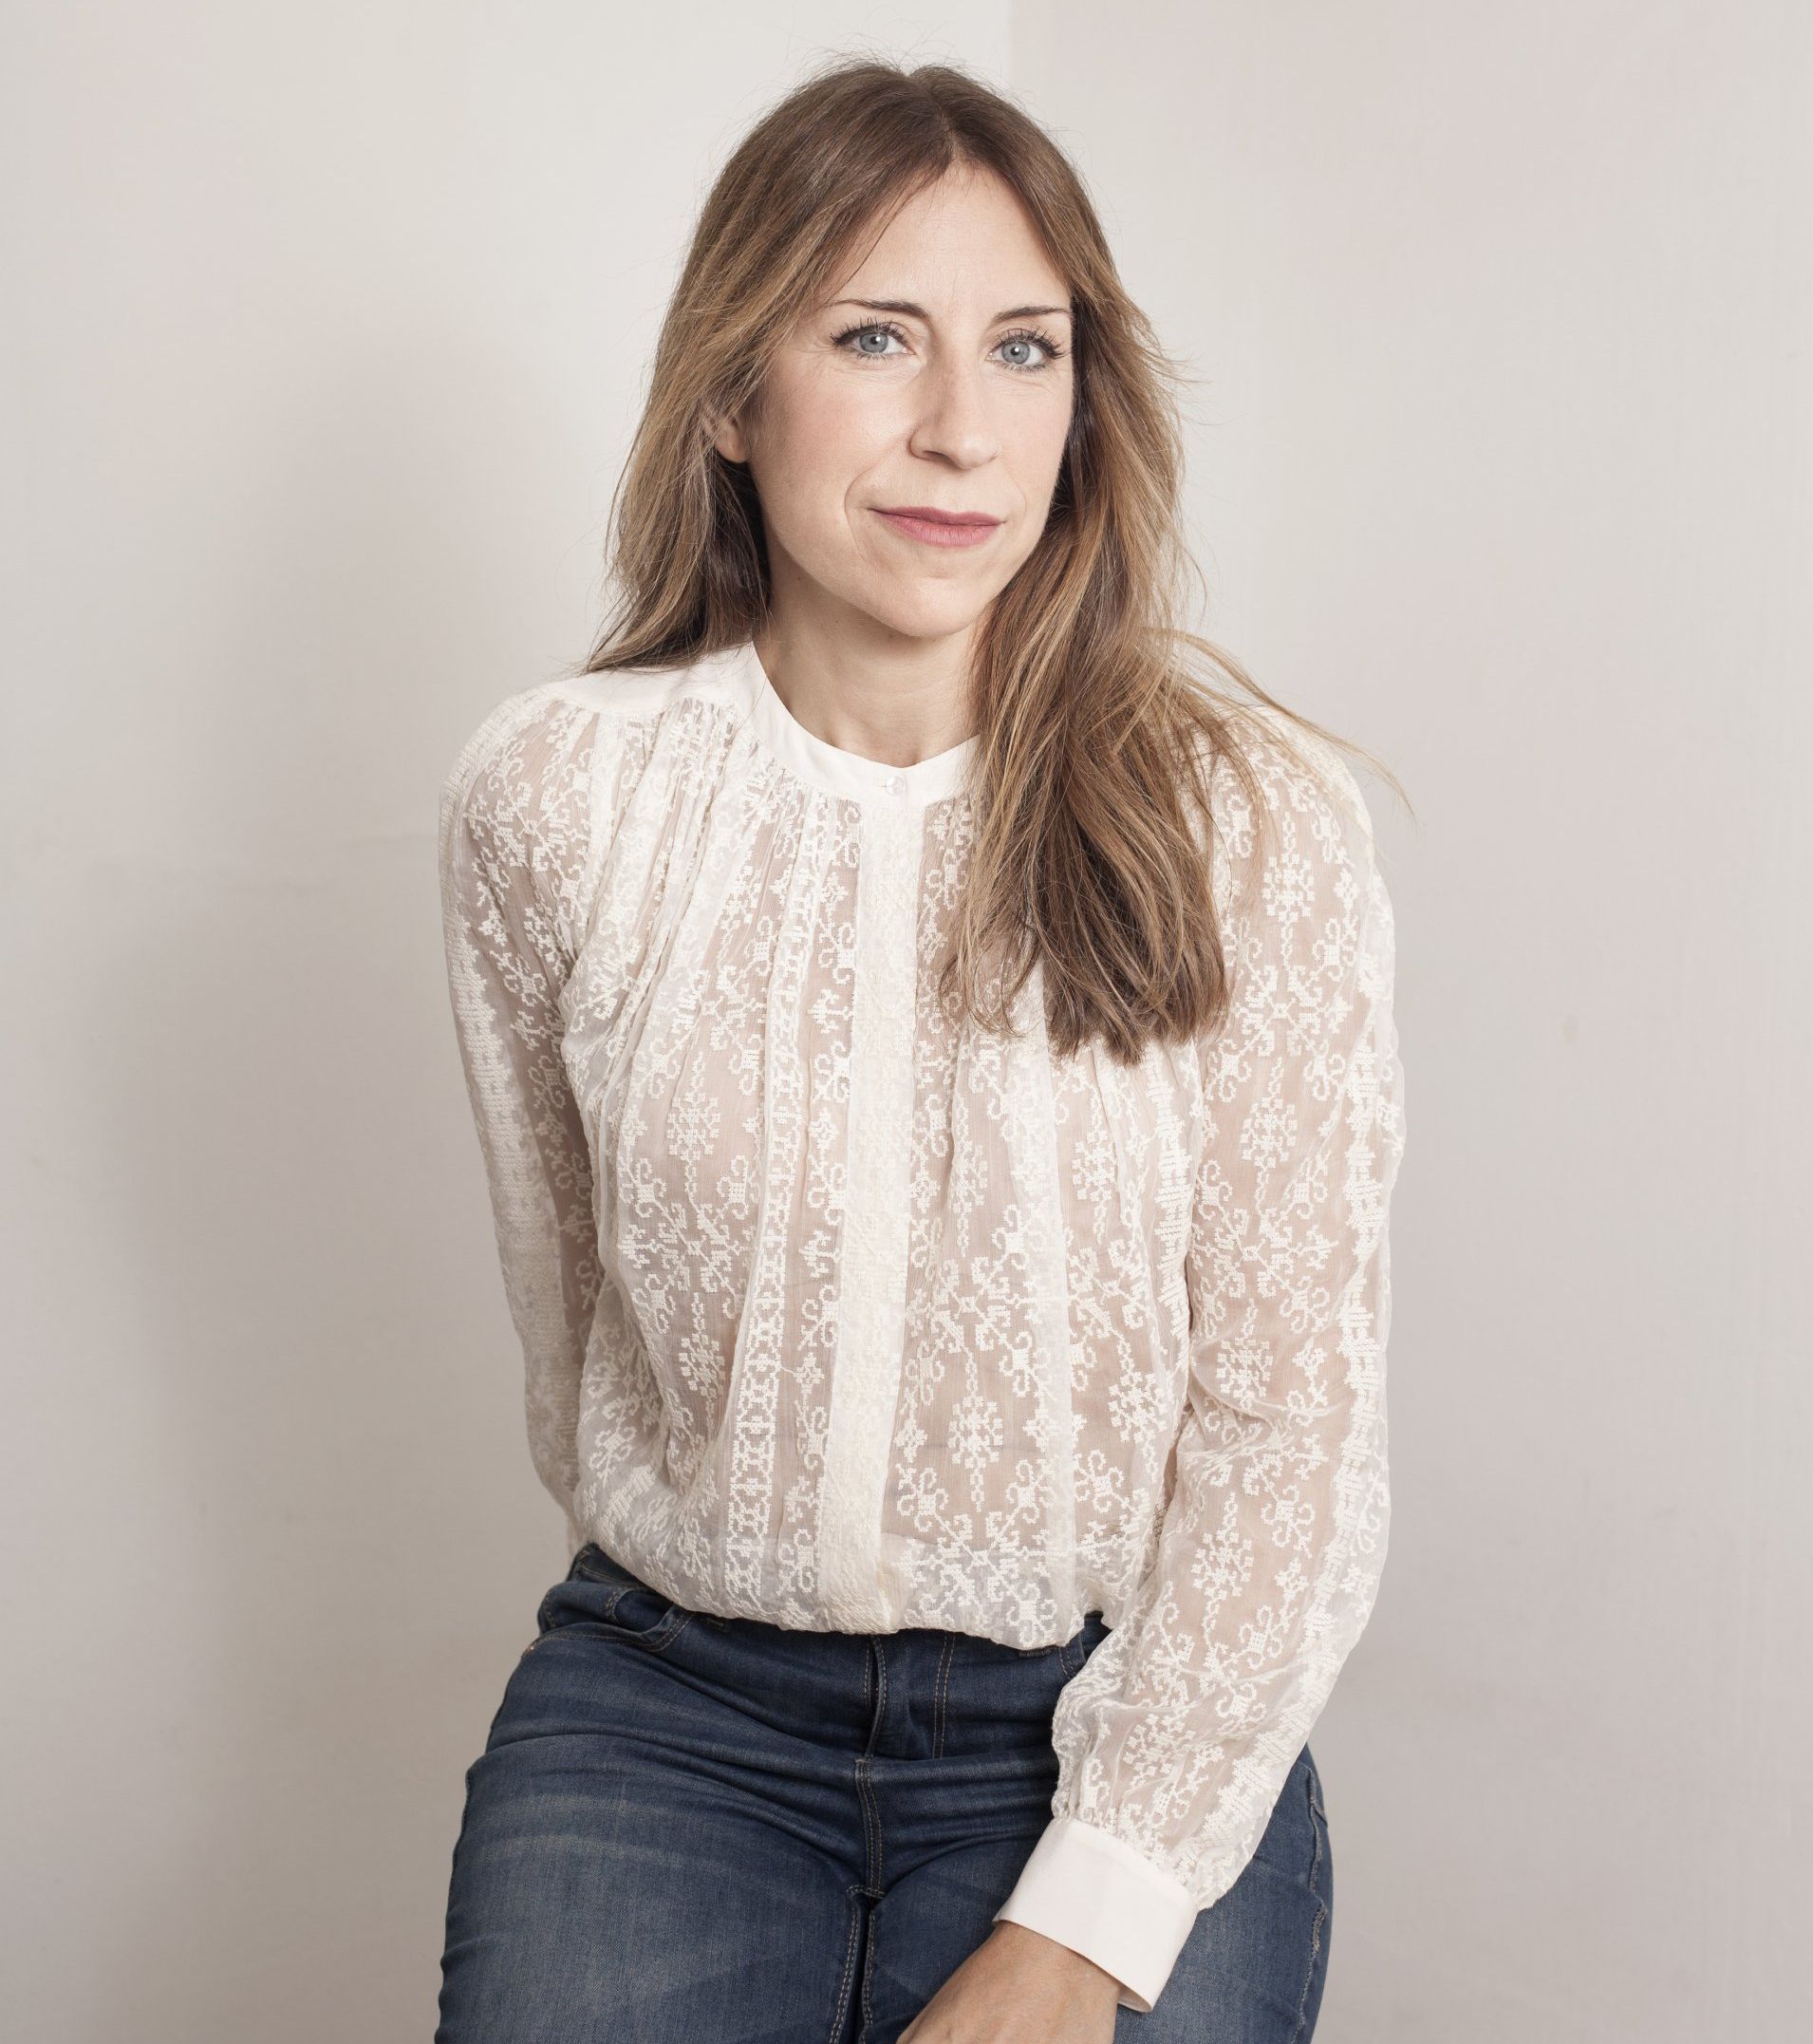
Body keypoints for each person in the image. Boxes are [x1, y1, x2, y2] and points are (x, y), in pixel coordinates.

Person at [431, 54, 1408, 2044]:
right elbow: (577, 1312)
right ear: (731, 393)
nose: (962, 426)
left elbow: (1289, 1429)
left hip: (1118, 1723)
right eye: (875, 336)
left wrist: (1092, 1913)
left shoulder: (1247, 819)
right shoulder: (557, 798)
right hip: (666, 1713)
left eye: (1023, 348)